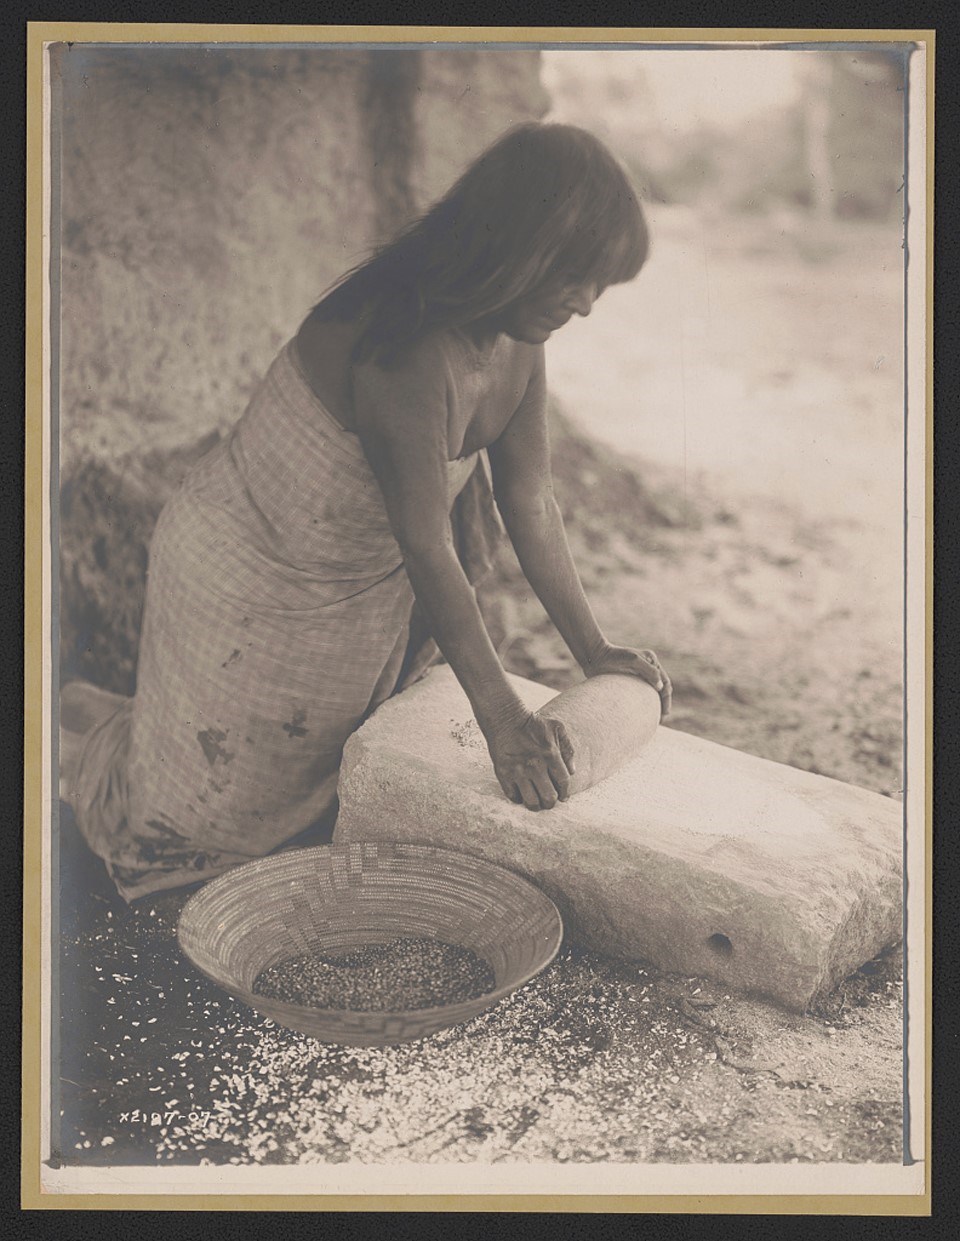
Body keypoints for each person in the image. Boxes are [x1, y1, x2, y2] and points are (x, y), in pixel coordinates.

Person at [62, 121, 672, 903]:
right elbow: (427, 547)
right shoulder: (408, 346)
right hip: (247, 577)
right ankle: (67, 742)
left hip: (345, 586)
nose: (587, 305)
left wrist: (596, 651)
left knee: (307, 795)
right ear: (517, 247)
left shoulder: (517, 332)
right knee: (198, 827)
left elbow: (530, 497)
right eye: (575, 277)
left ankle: (99, 722)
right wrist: (505, 722)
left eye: (599, 285)